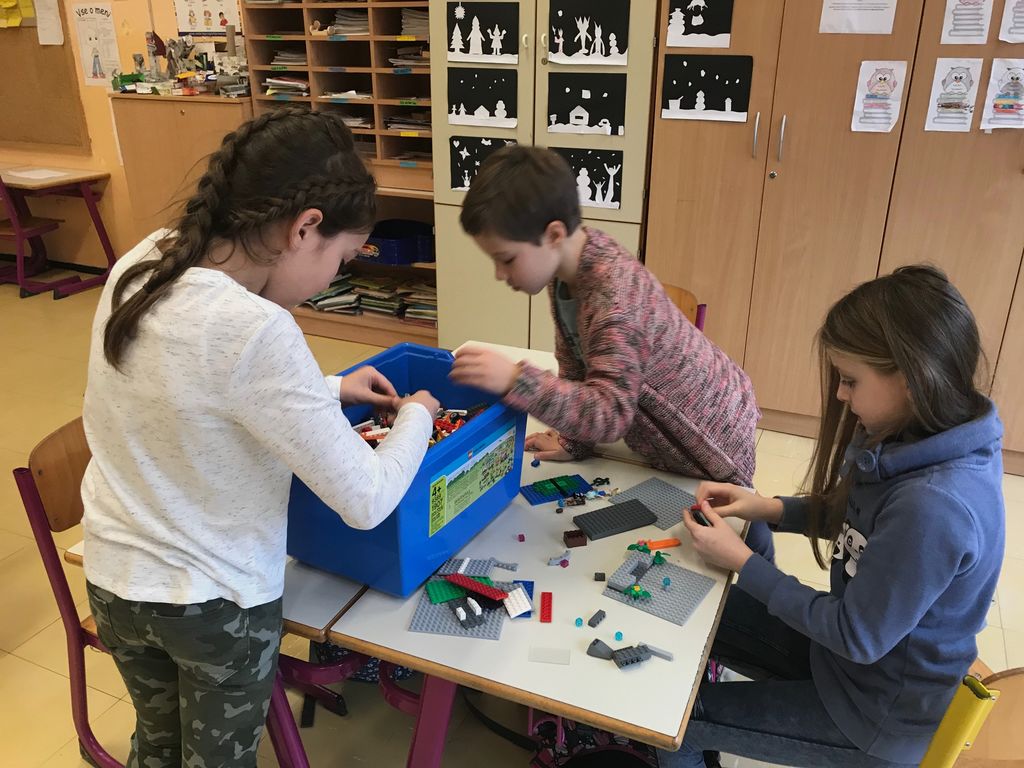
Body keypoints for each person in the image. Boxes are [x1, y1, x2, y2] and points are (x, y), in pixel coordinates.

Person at [82, 107, 438, 767]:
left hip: (115, 582)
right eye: (341, 259)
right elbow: (366, 499)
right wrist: (418, 413)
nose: (332, 279)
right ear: (304, 228)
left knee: (156, 748)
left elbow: (193, 387)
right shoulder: (258, 328)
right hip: (213, 605)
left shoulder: (146, 258)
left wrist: (329, 388)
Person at [668, 265, 1005, 767]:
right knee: (703, 610)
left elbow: (855, 635)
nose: (841, 395)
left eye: (850, 380)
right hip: (845, 662)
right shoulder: (914, 436)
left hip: (876, 715)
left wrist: (744, 561)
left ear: (912, 379)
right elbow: (859, 520)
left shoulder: (934, 506)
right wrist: (768, 508)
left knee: (677, 724)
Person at [449, 145, 771, 558]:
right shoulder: (569, 267)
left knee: (742, 540)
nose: (499, 274)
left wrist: (517, 380)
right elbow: (577, 363)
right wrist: (574, 442)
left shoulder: (613, 295)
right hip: (675, 434)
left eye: (506, 259)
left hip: (713, 441)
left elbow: (611, 412)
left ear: (553, 235)